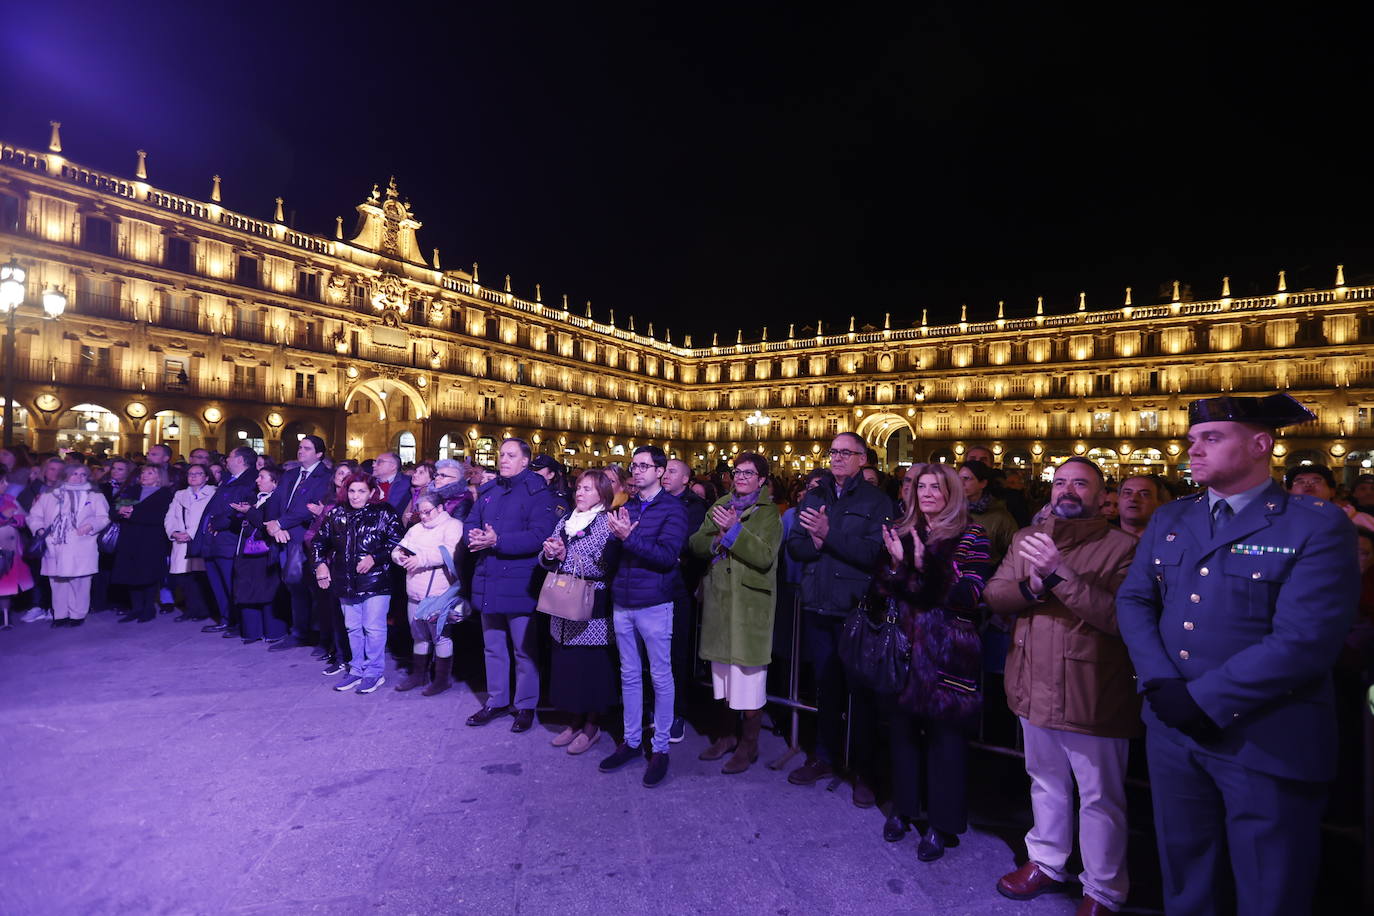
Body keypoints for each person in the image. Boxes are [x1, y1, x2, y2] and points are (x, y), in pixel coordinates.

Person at [1116, 393, 1359, 916]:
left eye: (1210, 438)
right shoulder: (1172, 518)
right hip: (1173, 728)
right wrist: (1158, 682)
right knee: (1185, 872)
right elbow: (1135, 599)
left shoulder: (1314, 524)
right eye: (1192, 439)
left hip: (1266, 736)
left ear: (1260, 445)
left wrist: (1202, 700)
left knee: (1270, 886)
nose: (1192, 449)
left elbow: (1305, 640)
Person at [983, 456, 1140, 915]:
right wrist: (1030, 588)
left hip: (1093, 687)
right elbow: (995, 594)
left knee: (1100, 796)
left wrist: (1057, 575)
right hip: (1034, 676)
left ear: (1101, 496)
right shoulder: (1027, 538)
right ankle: (1047, 861)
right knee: (1045, 780)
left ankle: (1103, 887)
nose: (1066, 491)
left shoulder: (1123, 547)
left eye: (1080, 484)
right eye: (1060, 483)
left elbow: (1118, 617)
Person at [874, 463, 993, 861]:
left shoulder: (972, 534)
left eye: (936, 487)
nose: (926, 494)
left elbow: (970, 595)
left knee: (946, 741)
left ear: (952, 493)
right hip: (906, 644)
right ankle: (903, 809)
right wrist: (893, 566)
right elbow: (883, 588)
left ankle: (942, 824)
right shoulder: (903, 530)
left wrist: (925, 567)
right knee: (903, 733)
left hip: (948, 649)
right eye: (921, 486)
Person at [784, 432, 892, 806]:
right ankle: (824, 757)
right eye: (834, 452)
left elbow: (875, 553)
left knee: (860, 694)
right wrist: (813, 543)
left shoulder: (877, 501)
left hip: (856, 609)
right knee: (825, 688)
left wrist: (828, 536)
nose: (837, 458)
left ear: (863, 459)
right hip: (817, 604)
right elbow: (795, 545)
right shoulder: (815, 496)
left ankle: (863, 770)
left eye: (846, 453)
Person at [598, 445, 690, 788]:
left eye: (643, 466)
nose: (635, 471)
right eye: (633, 466)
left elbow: (667, 556)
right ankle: (632, 741)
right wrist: (614, 537)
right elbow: (613, 554)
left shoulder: (673, 509)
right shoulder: (628, 506)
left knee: (661, 676)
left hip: (654, 602)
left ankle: (661, 747)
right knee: (630, 675)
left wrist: (629, 536)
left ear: (660, 472)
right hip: (623, 599)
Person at [690, 452, 782, 774]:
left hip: (749, 607)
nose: (740, 477)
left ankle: (749, 745)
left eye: (748, 473)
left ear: (761, 480)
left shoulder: (769, 514)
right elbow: (696, 544)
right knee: (723, 679)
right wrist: (716, 538)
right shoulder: (718, 506)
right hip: (720, 603)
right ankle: (727, 735)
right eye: (737, 471)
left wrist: (733, 531)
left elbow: (765, 556)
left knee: (748, 680)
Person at [464, 438, 561, 730]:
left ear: (524, 461)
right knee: (492, 645)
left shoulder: (537, 493)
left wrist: (498, 541)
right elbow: (470, 522)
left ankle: (526, 704)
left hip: (520, 581)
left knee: (524, 648)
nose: (503, 459)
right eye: (501, 454)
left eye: (510, 455)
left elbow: (539, 535)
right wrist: (475, 537)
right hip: (488, 576)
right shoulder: (489, 491)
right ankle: (496, 700)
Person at [539, 469, 621, 754]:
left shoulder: (606, 523)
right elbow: (547, 556)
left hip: (591, 606)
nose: (580, 493)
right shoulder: (565, 520)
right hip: (562, 604)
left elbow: (602, 566)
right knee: (569, 667)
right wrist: (549, 553)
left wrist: (566, 557)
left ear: (602, 494)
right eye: (579, 488)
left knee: (591, 667)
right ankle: (573, 721)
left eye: (587, 489)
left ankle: (591, 726)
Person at [312, 473, 403, 694]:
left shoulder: (384, 513)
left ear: (371, 492)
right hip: (345, 581)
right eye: (352, 491)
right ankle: (356, 669)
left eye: (361, 491)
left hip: (377, 580)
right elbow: (319, 542)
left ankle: (373, 672)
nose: (355, 496)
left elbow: (399, 542)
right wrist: (320, 565)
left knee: (373, 628)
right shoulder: (337, 513)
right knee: (353, 627)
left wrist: (375, 557)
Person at [392, 490, 466, 696]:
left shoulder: (453, 526)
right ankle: (419, 674)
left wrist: (421, 559)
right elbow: (399, 548)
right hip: (414, 591)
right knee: (418, 635)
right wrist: (400, 557)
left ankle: (442, 679)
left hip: (438, 592)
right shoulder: (416, 529)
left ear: (440, 508)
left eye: (427, 512)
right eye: (420, 513)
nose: (423, 517)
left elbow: (450, 552)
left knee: (440, 636)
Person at [263, 435, 334, 651]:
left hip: (306, 538)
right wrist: (272, 525)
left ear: (319, 454)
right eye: (300, 447)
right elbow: (274, 500)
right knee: (293, 586)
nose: (300, 451)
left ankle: (317, 633)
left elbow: (309, 509)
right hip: (284, 537)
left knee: (311, 587)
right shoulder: (291, 474)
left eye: (307, 448)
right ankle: (299, 631)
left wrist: (280, 523)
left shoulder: (325, 477)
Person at [24, 464, 109, 627]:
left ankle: (77, 614)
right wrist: (40, 530)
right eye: (74, 474)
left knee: (80, 581)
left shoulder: (94, 495)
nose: (79, 477)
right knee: (57, 581)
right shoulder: (50, 495)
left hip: (81, 543)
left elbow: (103, 517)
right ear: (65, 476)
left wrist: (91, 525)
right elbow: (34, 516)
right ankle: (60, 614)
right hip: (55, 543)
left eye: (83, 474)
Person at [663, 456, 707, 743]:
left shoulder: (694, 507)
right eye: (664, 469)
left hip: (680, 587)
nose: (665, 474)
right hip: (654, 587)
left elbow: (687, 544)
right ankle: (656, 709)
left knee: (678, 654)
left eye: (672, 471)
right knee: (655, 655)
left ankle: (678, 711)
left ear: (685, 480)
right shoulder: (654, 501)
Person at [192, 447, 258, 634]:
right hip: (214, 542)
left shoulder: (249, 481)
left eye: (229, 456)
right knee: (218, 584)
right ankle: (225, 618)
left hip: (228, 541)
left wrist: (220, 523)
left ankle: (237, 622)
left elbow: (241, 509)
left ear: (239, 460)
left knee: (231, 585)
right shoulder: (229, 480)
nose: (226, 460)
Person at [113, 465, 175, 623]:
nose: (145, 475)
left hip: (151, 540)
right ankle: (136, 608)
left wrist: (133, 514)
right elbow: (115, 509)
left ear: (159, 477)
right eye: (143, 473)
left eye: (150, 473)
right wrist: (120, 511)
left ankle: (148, 608)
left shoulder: (165, 494)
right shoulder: (133, 490)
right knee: (130, 574)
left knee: (149, 575)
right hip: (129, 539)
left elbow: (160, 517)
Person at [231, 466, 286, 645]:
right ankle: (252, 631)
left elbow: (266, 524)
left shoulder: (277, 500)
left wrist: (249, 512)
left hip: (265, 552)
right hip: (247, 552)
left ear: (275, 483)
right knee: (246, 590)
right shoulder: (254, 498)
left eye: (262, 477)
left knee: (267, 591)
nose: (257, 480)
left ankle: (273, 631)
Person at [164, 463, 216, 622]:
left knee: (200, 576)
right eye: (190, 474)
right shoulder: (180, 494)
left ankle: (204, 610)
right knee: (184, 578)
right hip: (180, 541)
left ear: (206, 477)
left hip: (200, 540)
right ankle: (190, 609)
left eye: (198, 473)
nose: (193, 476)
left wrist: (191, 534)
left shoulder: (213, 493)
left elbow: (210, 518)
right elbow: (170, 516)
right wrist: (173, 532)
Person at [958, 461, 1017, 565]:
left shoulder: (1000, 516)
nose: (961, 483)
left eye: (966, 479)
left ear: (983, 483)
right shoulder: (951, 511)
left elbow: (1013, 552)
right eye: (959, 479)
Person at [0, 490, 33, 629]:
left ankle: (5, 616)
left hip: (9, 549)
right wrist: (3, 516)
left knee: (5, 584)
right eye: (2, 481)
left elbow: (24, 517)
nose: (6, 485)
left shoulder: (10, 498)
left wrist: (13, 519)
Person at [401, 461, 436, 527]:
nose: (414, 475)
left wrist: (415, 518)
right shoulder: (414, 492)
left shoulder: (430, 497)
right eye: (415, 472)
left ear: (430, 479)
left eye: (421, 473)